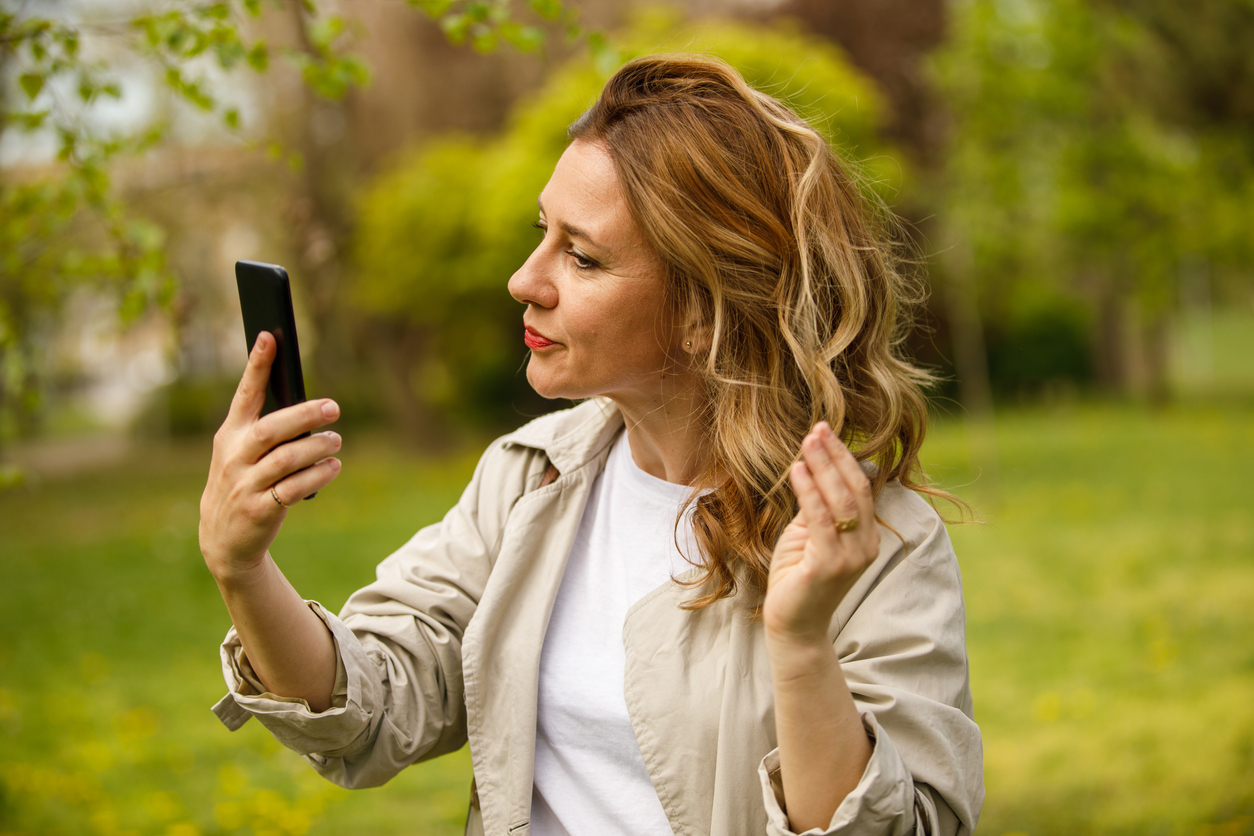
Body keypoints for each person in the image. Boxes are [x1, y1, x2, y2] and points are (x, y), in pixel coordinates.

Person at [200, 54, 983, 836]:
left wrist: (802, 645)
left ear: (704, 311)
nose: (523, 279)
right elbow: (372, 706)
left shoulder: (877, 547)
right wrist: (243, 567)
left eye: (581, 256)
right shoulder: (532, 478)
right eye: (542, 233)